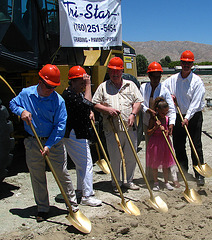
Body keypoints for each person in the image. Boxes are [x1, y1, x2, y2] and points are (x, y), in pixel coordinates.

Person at [9, 64, 78, 222]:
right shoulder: (26, 94)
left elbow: (60, 127)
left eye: (54, 87)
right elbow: (13, 104)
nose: (50, 90)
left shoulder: (58, 100)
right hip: (33, 142)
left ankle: (73, 206)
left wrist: (48, 145)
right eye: (48, 86)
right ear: (40, 81)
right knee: (37, 175)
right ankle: (42, 208)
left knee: (62, 173)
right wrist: (22, 111)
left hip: (53, 142)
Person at [92, 57, 143, 192]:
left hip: (130, 128)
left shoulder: (130, 85)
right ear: (109, 71)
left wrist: (133, 114)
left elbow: (138, 101)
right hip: (112, 129)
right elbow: (95, 103)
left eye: (117, 71)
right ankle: (116, 183)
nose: (115, 74)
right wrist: (107, 110)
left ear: (122, 71)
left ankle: (129, 181)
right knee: (115, 158)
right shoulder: (103, 87)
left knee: (131, 156)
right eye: (112, 71)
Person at [163, 50, 206, 186]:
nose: (186, 65)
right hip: (177, 116)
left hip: (194, 117)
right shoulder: (172, 80)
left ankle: (199, 174)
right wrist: (169, 95)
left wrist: (187, 118)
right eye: (184, 62)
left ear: (192, 64)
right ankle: (183, 171)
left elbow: (195, 103)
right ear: (180, 63)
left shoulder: (197, 82)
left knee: (195, 145)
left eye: (189, 63)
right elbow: (163, 89)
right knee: (179, 145)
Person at [62, 66, 102, 207]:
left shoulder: (75, 93)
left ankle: (80, 190)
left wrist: (89, 112)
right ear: (72, 82)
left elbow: (85, 107)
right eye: (81, 83)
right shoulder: (69, 95)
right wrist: (88, 86)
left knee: (81, 164)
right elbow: (87, 104)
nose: (82, 85)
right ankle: (87, 195)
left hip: (79, 132)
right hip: (74, 133)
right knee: (86, 164)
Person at [140, 62, 178, 186]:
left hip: (163, 125)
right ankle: (151, 178)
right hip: (148, 123)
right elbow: (139, 103)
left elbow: (171, 109)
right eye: (153, 77)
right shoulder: (144, 88)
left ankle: (173, 177)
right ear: (149, 76)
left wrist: (171, 124)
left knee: (167, 151)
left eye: (158, 77)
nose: (156, 79)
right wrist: (147, 110)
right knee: (151, 151)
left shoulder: (164, 90)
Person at [146, 97, 178, 191]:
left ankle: (166, 182)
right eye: (163, 113)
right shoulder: (153, 119)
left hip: (165, 142)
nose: (164, 114)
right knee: (155, 164)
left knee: (165, 164)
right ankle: (156, 182)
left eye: (166, 112)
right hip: (155, 143)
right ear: (157, 110)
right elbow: (148, 132)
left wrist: (167, 131)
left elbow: (169, 131)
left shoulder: (167, 119)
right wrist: (155, 128)